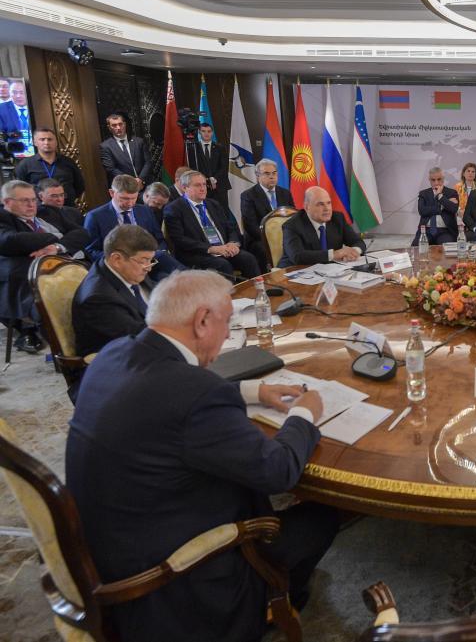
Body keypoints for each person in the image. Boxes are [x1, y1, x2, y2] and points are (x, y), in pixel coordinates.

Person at [66, 270, 343, 642]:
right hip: (169, 585)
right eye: (226, 321)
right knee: (321, 517)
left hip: (108, 542)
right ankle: (271, 601)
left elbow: (163, 394)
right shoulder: (196, 394)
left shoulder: (115, 352)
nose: (228, 334)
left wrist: (254, 391)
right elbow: (279, 471)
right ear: (201, 321)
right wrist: (304, 414)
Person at [0, 180, 90, 353]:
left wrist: (57, 247)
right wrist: (54, 236)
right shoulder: (3, 217)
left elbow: (82, 233)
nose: (31, 205)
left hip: (72, 265)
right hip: (31, 275)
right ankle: (67, 351)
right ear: (8, 202)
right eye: (24, 200)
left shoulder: (48, 212)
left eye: (33, 199)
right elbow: (10, 241)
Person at [72, 225, 157, 357]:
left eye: (151, 260)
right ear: (117, 259)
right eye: (144, 261)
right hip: (120, 359)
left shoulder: (128, 269)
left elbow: (156, 293)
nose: (149, 268)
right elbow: (141, 337)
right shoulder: (98, 299)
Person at [163, 170, 261, 279]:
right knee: (223, 265)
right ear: (185, 188)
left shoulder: (213, 204)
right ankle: (229, 291)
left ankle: (258, 288)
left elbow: (230, 227)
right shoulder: (174, 209)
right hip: (198, 253)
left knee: (248, 259)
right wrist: (211, 248)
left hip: (224, 248)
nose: (203, 188)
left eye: (204, 184)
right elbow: (179, 239)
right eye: (197, 185)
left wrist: (232, 243)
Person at [84, 175, 184, 281]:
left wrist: (157, 252)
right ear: (112, 193)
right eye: (125, 198)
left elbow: (159, 239)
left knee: (171, 278)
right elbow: (90, 251)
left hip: (151, 262)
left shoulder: (145, 211)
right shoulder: (95, 217)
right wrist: (124, 260)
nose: (130, 203)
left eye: (134, 198)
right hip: (121, 268)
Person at [279, 186, 366, 267]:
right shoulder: (292, 225)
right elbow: (297, 256)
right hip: (294, 271)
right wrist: (334, 254)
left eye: (328, 203)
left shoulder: (337, 218)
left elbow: (358, 241)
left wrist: (354, 252)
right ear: (307, 207)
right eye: (320, 204)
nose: (327, 208)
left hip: (330, 270)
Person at [240, 159, 296, 270]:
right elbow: (250, 226)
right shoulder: (248, 195)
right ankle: (270, 277)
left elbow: (293, 218)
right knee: (264, 250)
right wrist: (273, 238)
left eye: (274, 173)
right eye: (267, 173)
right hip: (260, 239)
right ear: (257, 176)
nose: (272, 177)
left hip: (285, 236)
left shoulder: (285, 193)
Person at [13, 128, 87, 204]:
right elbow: (19, 189)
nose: (46, 142)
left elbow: (80, 186)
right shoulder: (25, 164)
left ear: (56, 142)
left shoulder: (68, 162)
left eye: (50, 139)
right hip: (38, 208)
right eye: (42, 139)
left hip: (66, 206)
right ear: (35, 142)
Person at [99, 113, 153, 189]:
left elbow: (148, 162)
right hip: (124, 187)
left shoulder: (139, 142)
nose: (118, 128)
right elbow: (111, 169)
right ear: (109, 128)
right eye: (114, 125)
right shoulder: (105, 146)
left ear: (124, 124)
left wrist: (141, 179)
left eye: (120, 124)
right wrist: (131, 181)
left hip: (145, 184)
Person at [413, 167, 459, 245]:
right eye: (433, 180)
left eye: (439, 179)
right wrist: (442, 206)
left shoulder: (452, 193)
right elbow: (422, 211)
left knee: (447, 248)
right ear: (429, 180)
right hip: (426, 231)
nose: (436, 182)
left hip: (445, 231)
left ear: (443, 179)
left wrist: (440, 196)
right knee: (416, 247)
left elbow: (454, 209)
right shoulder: (423, 193)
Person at [192, 122, 231, 210]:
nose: (206, 133)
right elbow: (193, 167)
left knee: (222, 212)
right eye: (203, 131)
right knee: (205, 211)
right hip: (201, 186)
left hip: (219, 186)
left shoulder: (220, 148)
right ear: (199, 132)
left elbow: (224, 167)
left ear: (212, 133)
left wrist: (214, 178)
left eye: (209, 131)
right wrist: (205, 180)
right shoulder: (194, 148)